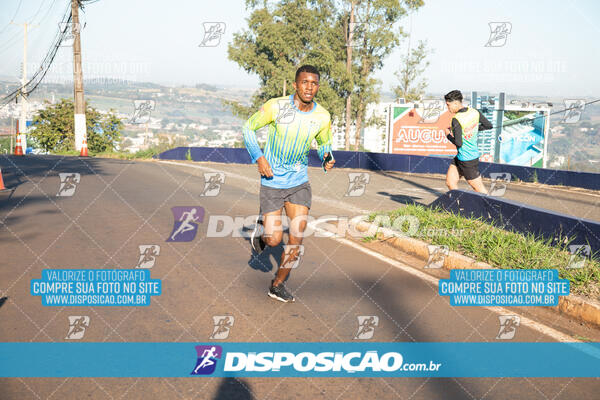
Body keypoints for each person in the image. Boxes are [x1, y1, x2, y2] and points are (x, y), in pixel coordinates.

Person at [243, 65, 335, 303]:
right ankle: (262, 233)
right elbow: (248, 128)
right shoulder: (277, 106)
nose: (309, 87)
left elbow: (324, 142)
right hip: (272, 180)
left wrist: (327, 156)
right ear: (295, 85)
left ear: (318, 86)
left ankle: (278, 285)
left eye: (314, 83)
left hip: (299, 183)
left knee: (296, 237)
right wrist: (259, 158)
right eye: (304, 82)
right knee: (274, 240)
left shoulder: (322, 116)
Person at [444, 90, 492, 194]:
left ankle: (492, 208)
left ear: (456, 103)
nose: (448, 108)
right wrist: (470, 129)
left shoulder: (456, 119)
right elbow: (488, 125)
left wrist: (448, 134)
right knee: (450, 182)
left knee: (480, 189)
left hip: (467, 159)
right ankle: (458, 206)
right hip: (462, 157)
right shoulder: (474, 111)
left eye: (448, 105)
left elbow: (458, 143)